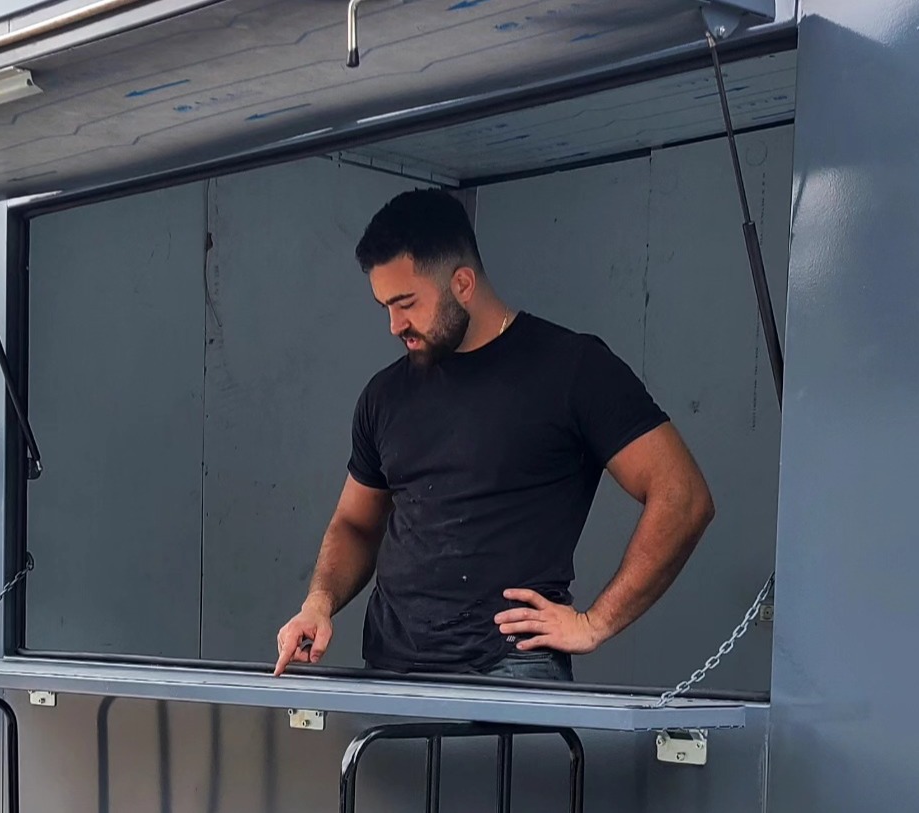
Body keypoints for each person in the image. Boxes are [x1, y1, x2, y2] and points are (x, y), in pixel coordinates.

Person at [273, 189, 715, 681]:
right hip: (391, 672)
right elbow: (355, 524)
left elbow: (683, 496)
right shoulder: (385, 395)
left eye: (406, 303)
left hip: (510, 671)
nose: (395, 325)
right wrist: (318, 603)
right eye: (385, 308)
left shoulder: (573, 369)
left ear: (462, 283)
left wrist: (596, 623)